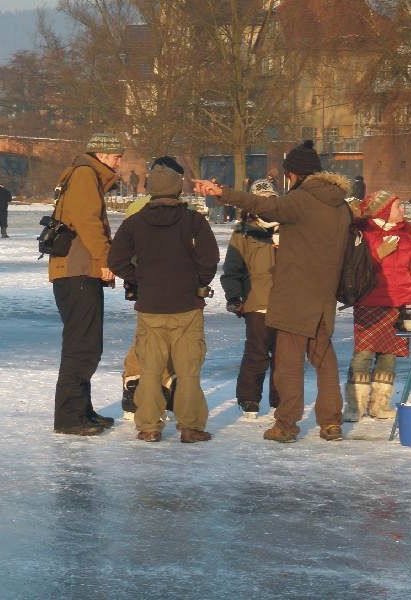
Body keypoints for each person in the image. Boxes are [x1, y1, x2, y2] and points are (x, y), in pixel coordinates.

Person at [195, 140, 352, 443]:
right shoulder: (340, 205)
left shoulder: (302, 199)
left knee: (289, 363)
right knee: (323, 358)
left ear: (294, 174)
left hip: (295, 294)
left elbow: (264, 206)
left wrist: (222, 192)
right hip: (325, 294)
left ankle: (286, 425)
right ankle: (332, 422)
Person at [108, 162, 220, 443]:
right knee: (188, 370)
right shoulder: (194, 220)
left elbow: (116, 260)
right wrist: (197, 283)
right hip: (188, 305)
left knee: (150, 371)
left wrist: (141, 278)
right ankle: (191, 426)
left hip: (151, 305)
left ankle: (148, 427)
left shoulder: (134, 222)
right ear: (177, 190)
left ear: (150, 192)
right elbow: (210, 259)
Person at [48, 132, 121, 436]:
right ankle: (69, 417)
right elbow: (88, 221)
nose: (120, 162)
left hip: (76, 270)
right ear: (103, 155)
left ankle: (82, 409)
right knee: (82, 346)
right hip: (77, 271)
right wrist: (106, 261)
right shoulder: (84, 175)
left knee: (86, 344)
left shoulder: (84, 174)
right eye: (118, 156)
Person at [118, 157, 192, 420]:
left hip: (143, 279)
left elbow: (124, 248)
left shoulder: (136, 207)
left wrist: (134, 275)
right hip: (170, 283)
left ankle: (141, 384)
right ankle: (141, 385)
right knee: (161, 336)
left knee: (148, 332)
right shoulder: (182, 209)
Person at [344, 191, 411, 421]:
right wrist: (379, 254)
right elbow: (354, 269)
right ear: (384, 210)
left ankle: (380, 405)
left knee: (390, 355)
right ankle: (355, 405)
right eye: (398, 206)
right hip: (370, 302)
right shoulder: (363, 233)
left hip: (399, 304)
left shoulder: (406, 235)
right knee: (363, 354)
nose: (403, 210)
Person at [221, 179, 281, 418]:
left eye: (271, 200)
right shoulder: (243, 232)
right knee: (256, 353)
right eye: (261, 200)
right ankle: (249, 399)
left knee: (284, 357)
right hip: (257, 302)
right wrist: (234, 296)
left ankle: (281, 400)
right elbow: (233, 268)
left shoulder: (289, 228)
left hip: (287, 303)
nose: (266, 205)